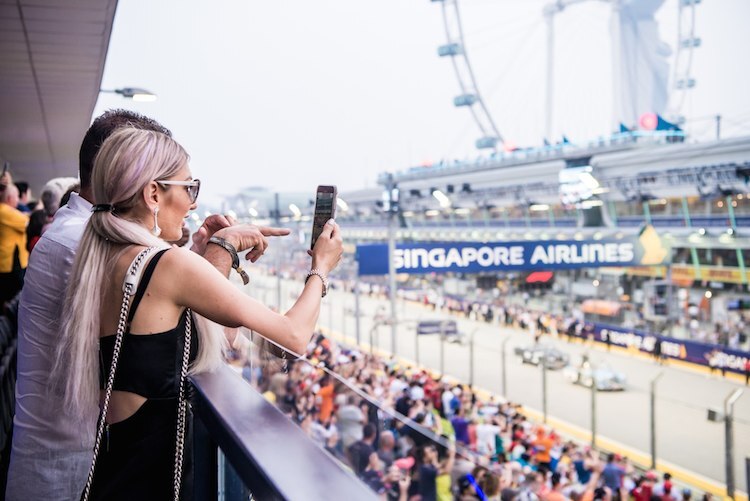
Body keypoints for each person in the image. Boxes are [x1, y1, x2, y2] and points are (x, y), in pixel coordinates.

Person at [6, 110, 291, 501]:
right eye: (185, 186)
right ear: (137, 175)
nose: (191, 200)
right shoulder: (83, 245)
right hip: (78, 473)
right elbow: (198, 336)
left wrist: (196, 253)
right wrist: (219, 254)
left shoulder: (84, 235)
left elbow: (162, 311)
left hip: (82, 462)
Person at [48, 126, 341, 500]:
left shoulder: (104, 256)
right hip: (150, 483)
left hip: (119, 473)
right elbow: (293, 335)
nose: (194, 203)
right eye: (189, 187)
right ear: (154, 193)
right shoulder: (166, 264)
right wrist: (321, 267)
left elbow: (197, 332)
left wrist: (216, 248)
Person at [0, 182, 29, 307]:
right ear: (9, 198)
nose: (18, 200)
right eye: (17, 196)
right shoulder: (5, 211)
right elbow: (28, 222)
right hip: (9, 264)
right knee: (11, 298)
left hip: (8, 262)